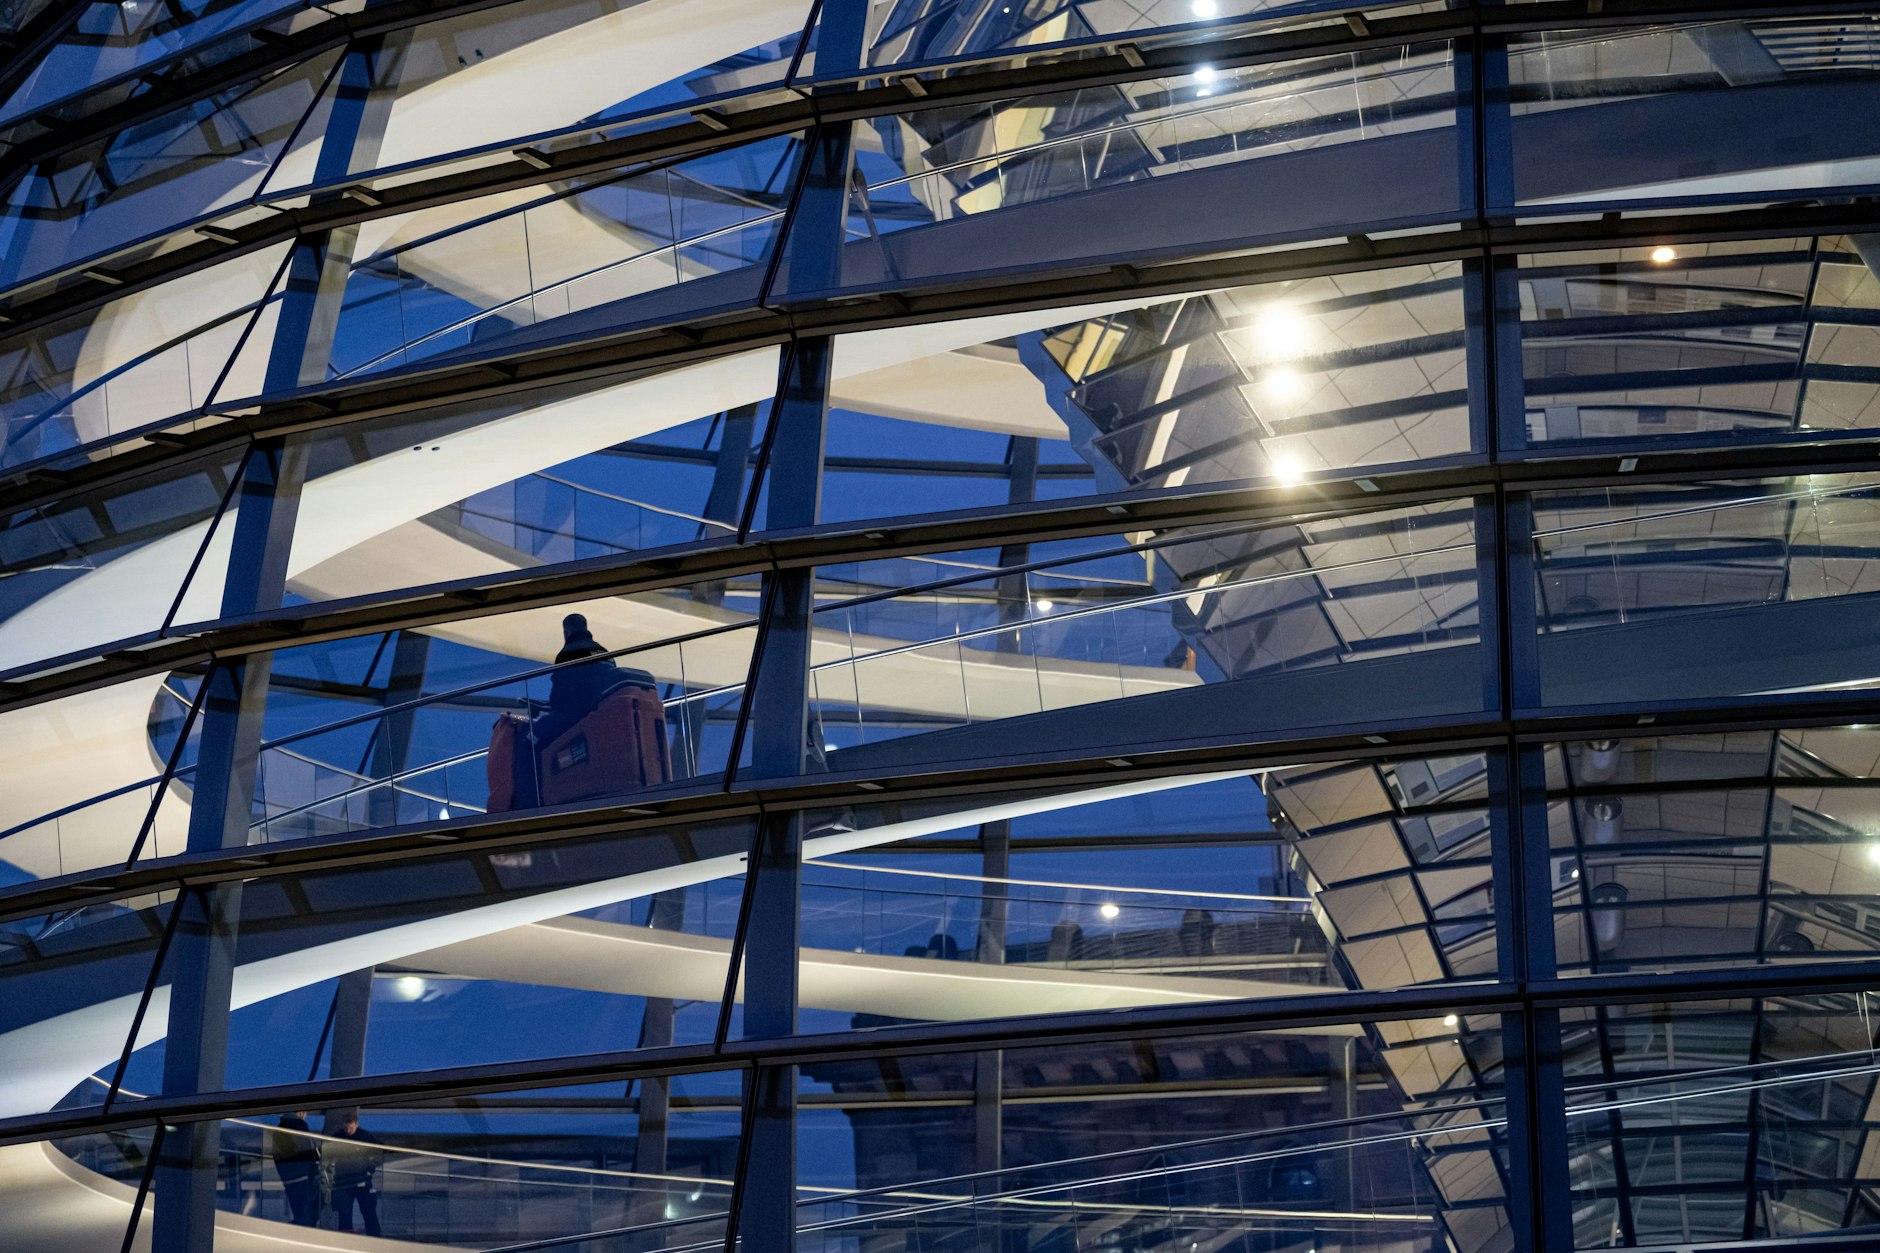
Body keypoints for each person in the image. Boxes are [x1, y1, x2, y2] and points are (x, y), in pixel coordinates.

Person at [327, 1113, 384, 1236]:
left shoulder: (365, 1136)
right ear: (343, 1125)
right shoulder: (337, 1137)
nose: (348, 1131)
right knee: (344, 1215)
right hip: (343, 1183)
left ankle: (375, 1238)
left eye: (351, 1128)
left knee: (369, 1212)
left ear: (356, 1124)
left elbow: (380, 1152)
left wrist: (370, 1168)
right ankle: (346, 1240)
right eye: (346, 1128)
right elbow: (326, 1155)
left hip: (362, 1180)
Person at [269, 1111, 321, 1226]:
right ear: (301, 1113)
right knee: (308, 1210)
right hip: (303, 1176)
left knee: (298, 1210)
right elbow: (306, 1152)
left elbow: (277, 1156)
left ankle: (299, 1230)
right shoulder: (300, 1125)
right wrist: (314, 1170)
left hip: (288, 1178)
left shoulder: (279, 1129)